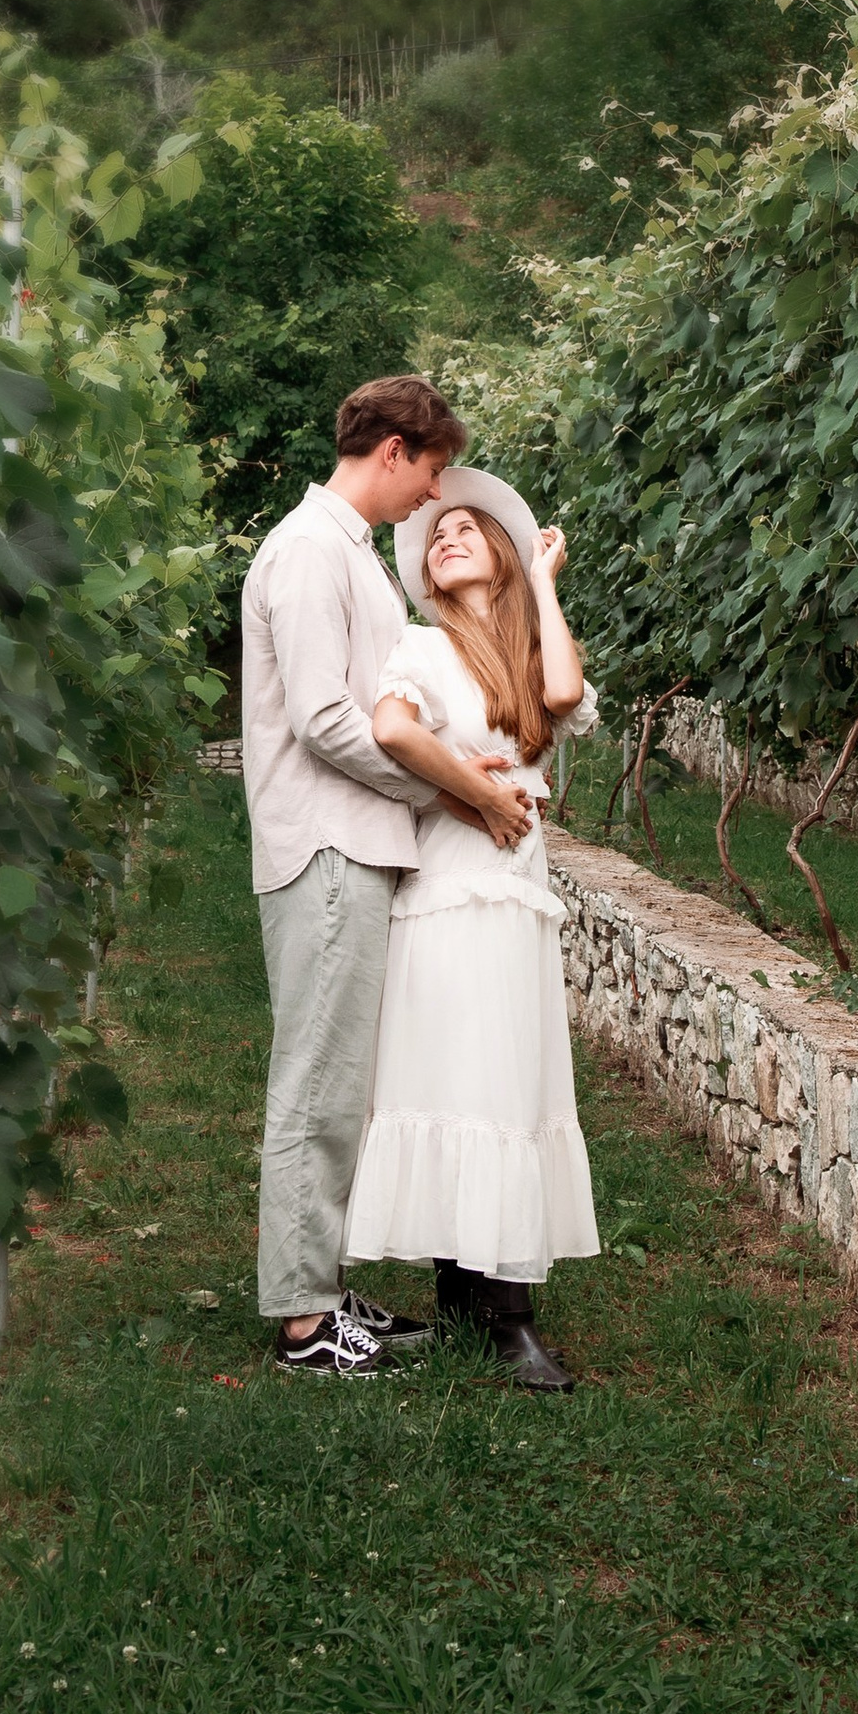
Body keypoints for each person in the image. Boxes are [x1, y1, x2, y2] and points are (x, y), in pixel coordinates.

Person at [239, 375, 535, 1377]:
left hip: (356, 843)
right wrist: (452, 791)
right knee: (316, 1085)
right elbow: (326, 721)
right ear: (395, 450)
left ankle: (320, 1286)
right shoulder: (308, 551)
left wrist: (456, 769)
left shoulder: (349, 552)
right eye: (435, 468)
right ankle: (303, 1322)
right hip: (327, 844)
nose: (435, 494)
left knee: (343, 1087)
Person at [339, 467, 600, 1394]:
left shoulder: (525, 652)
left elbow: (562, 694)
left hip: (517, 892)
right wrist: (472, 785)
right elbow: (390, 732)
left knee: (508, 1078)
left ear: (503, 553)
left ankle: (475, 1301)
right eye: (435, 536)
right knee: (463, 1075)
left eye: (465, 531)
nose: (445, 540)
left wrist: (545, 582)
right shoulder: (420, 646)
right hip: (452, 886)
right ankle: (502, 1318)